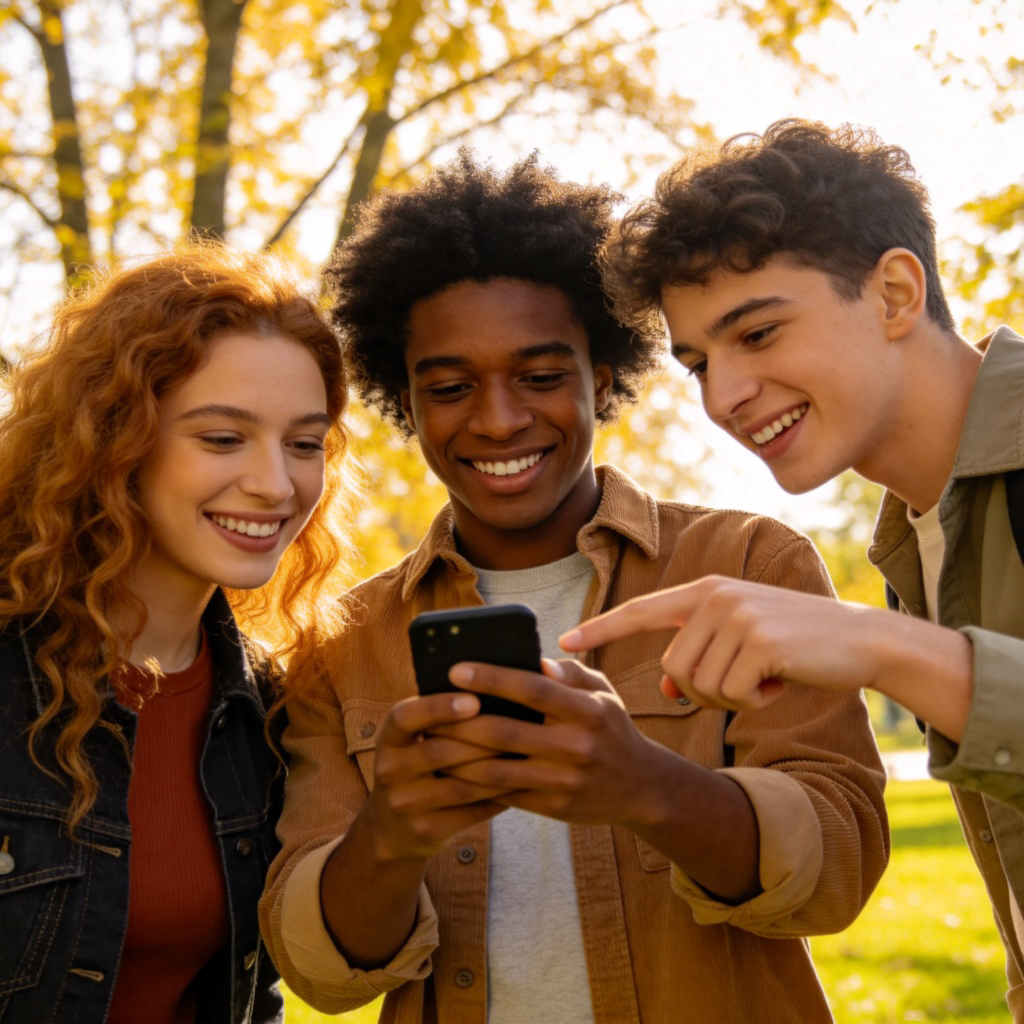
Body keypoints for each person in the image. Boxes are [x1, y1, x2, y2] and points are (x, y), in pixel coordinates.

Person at [258, 151, 889, 1023]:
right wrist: (390, 838)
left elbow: (842, 868)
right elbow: (321, 975)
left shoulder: (749, 564)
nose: (499, 418)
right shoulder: (343, 638)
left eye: (543, 376)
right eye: (448, 387)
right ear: (405, 401)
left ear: (604, 374)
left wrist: (647, 786)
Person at [562, 118, 1024, 1018]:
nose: (723, 397)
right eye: (699, 363)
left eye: (759, 333)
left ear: (894, 293)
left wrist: (883, 647)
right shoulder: (922, 535)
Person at [0, 242, 351, 1024]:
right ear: (114, 439)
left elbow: (248, 992)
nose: (275, 483)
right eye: (222, 438)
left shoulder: (269, 706)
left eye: (304, 443)